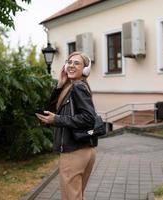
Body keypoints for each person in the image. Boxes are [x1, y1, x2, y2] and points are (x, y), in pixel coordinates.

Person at [36, 51, 97, 200]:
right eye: (69, 62)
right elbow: (52, 110)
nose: (71, 65)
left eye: (77, 63)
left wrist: (56, 120)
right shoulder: (71, 87)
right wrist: (59, 86)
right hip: (82, 150)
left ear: (85, 69)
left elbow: (89, 118)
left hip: (74, 152)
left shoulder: (78, 87)